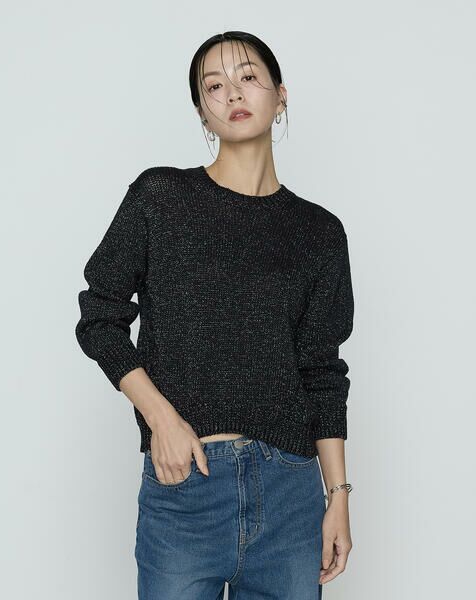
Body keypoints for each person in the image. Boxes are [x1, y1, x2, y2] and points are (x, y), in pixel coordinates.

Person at [75, 30, 354, 600]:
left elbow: (322, 371)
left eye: (248, 77)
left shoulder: (320, 232)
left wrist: (339, 497)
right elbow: (99, 315)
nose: (233, 93)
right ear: (203, 112)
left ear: (280, 95)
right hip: (185, 484)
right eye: (214, 86)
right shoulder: (160, 197)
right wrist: (161, 419)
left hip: (290, 494)